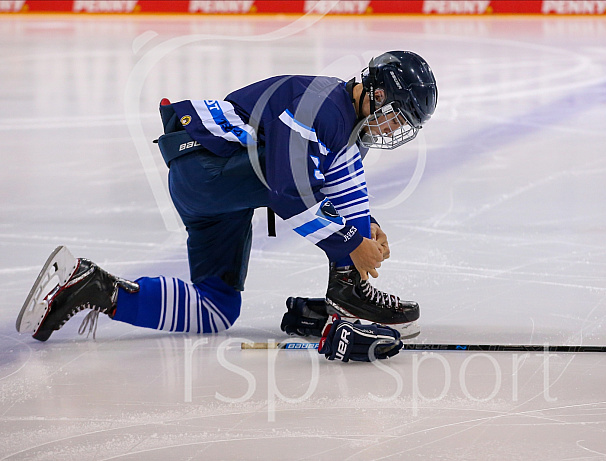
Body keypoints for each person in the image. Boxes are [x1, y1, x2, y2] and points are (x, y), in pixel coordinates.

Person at [16, 51, 437, 361]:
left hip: (213, 191)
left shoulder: (344, 120)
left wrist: (367, 228)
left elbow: (326, 181)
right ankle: (345, 293)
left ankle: (92, 286)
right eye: (399, 115)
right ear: (379, 92)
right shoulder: (323, 106)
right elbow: (291, 192)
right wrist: (351, 242)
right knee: (320, 185)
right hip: (207, 169)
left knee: (216, 307)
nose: (396, 128)